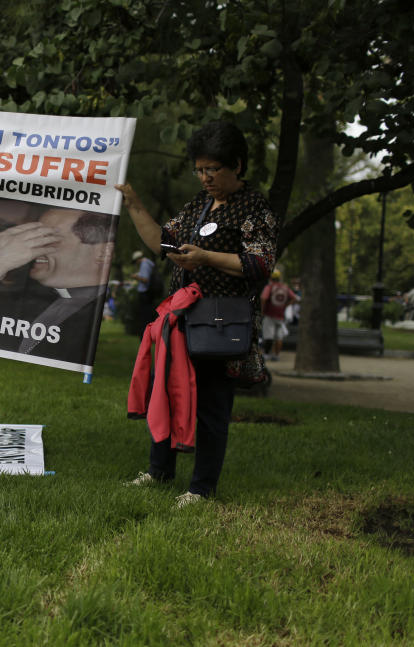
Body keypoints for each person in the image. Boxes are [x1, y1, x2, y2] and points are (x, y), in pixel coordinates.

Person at [117, 120, 278, 508]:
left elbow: (260, 263)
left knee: (210, 406)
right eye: (200, 169)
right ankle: (159, 472)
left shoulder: (253, 206)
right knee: (167, 394)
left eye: (213, 169)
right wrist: (136, 206)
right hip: (181, 321)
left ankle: (202, 488)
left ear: (237, 165)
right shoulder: (197, 205)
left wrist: (205, 257)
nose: (205, 177)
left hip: (220, 325)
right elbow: (163, 242)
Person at [0, 207, 112, 363]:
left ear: (103, 253)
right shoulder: (22, 297)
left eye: (47, 237)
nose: (26, 249)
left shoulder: (91, 320)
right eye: (30, 236)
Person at [260, 269, 299, 359]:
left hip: (270, 314)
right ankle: (276, 355)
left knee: (268, 336)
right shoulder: (285, 287)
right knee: (279, 337)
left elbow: (263, 298)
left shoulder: (269, 287)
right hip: (280, 315)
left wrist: (262, 310)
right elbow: (294, 298)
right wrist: (285, 306)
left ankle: (266, 354)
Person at [131, 250, 157, 336]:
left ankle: (146, 334)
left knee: (145, 315)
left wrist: (136, 277)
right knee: (148, 314)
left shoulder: (144, 264)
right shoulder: (148, 263)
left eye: (135, 261)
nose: (136, 263)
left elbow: (145, 279)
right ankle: (148, 334)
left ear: (138, 259)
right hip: (148, 293)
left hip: (145, 293)